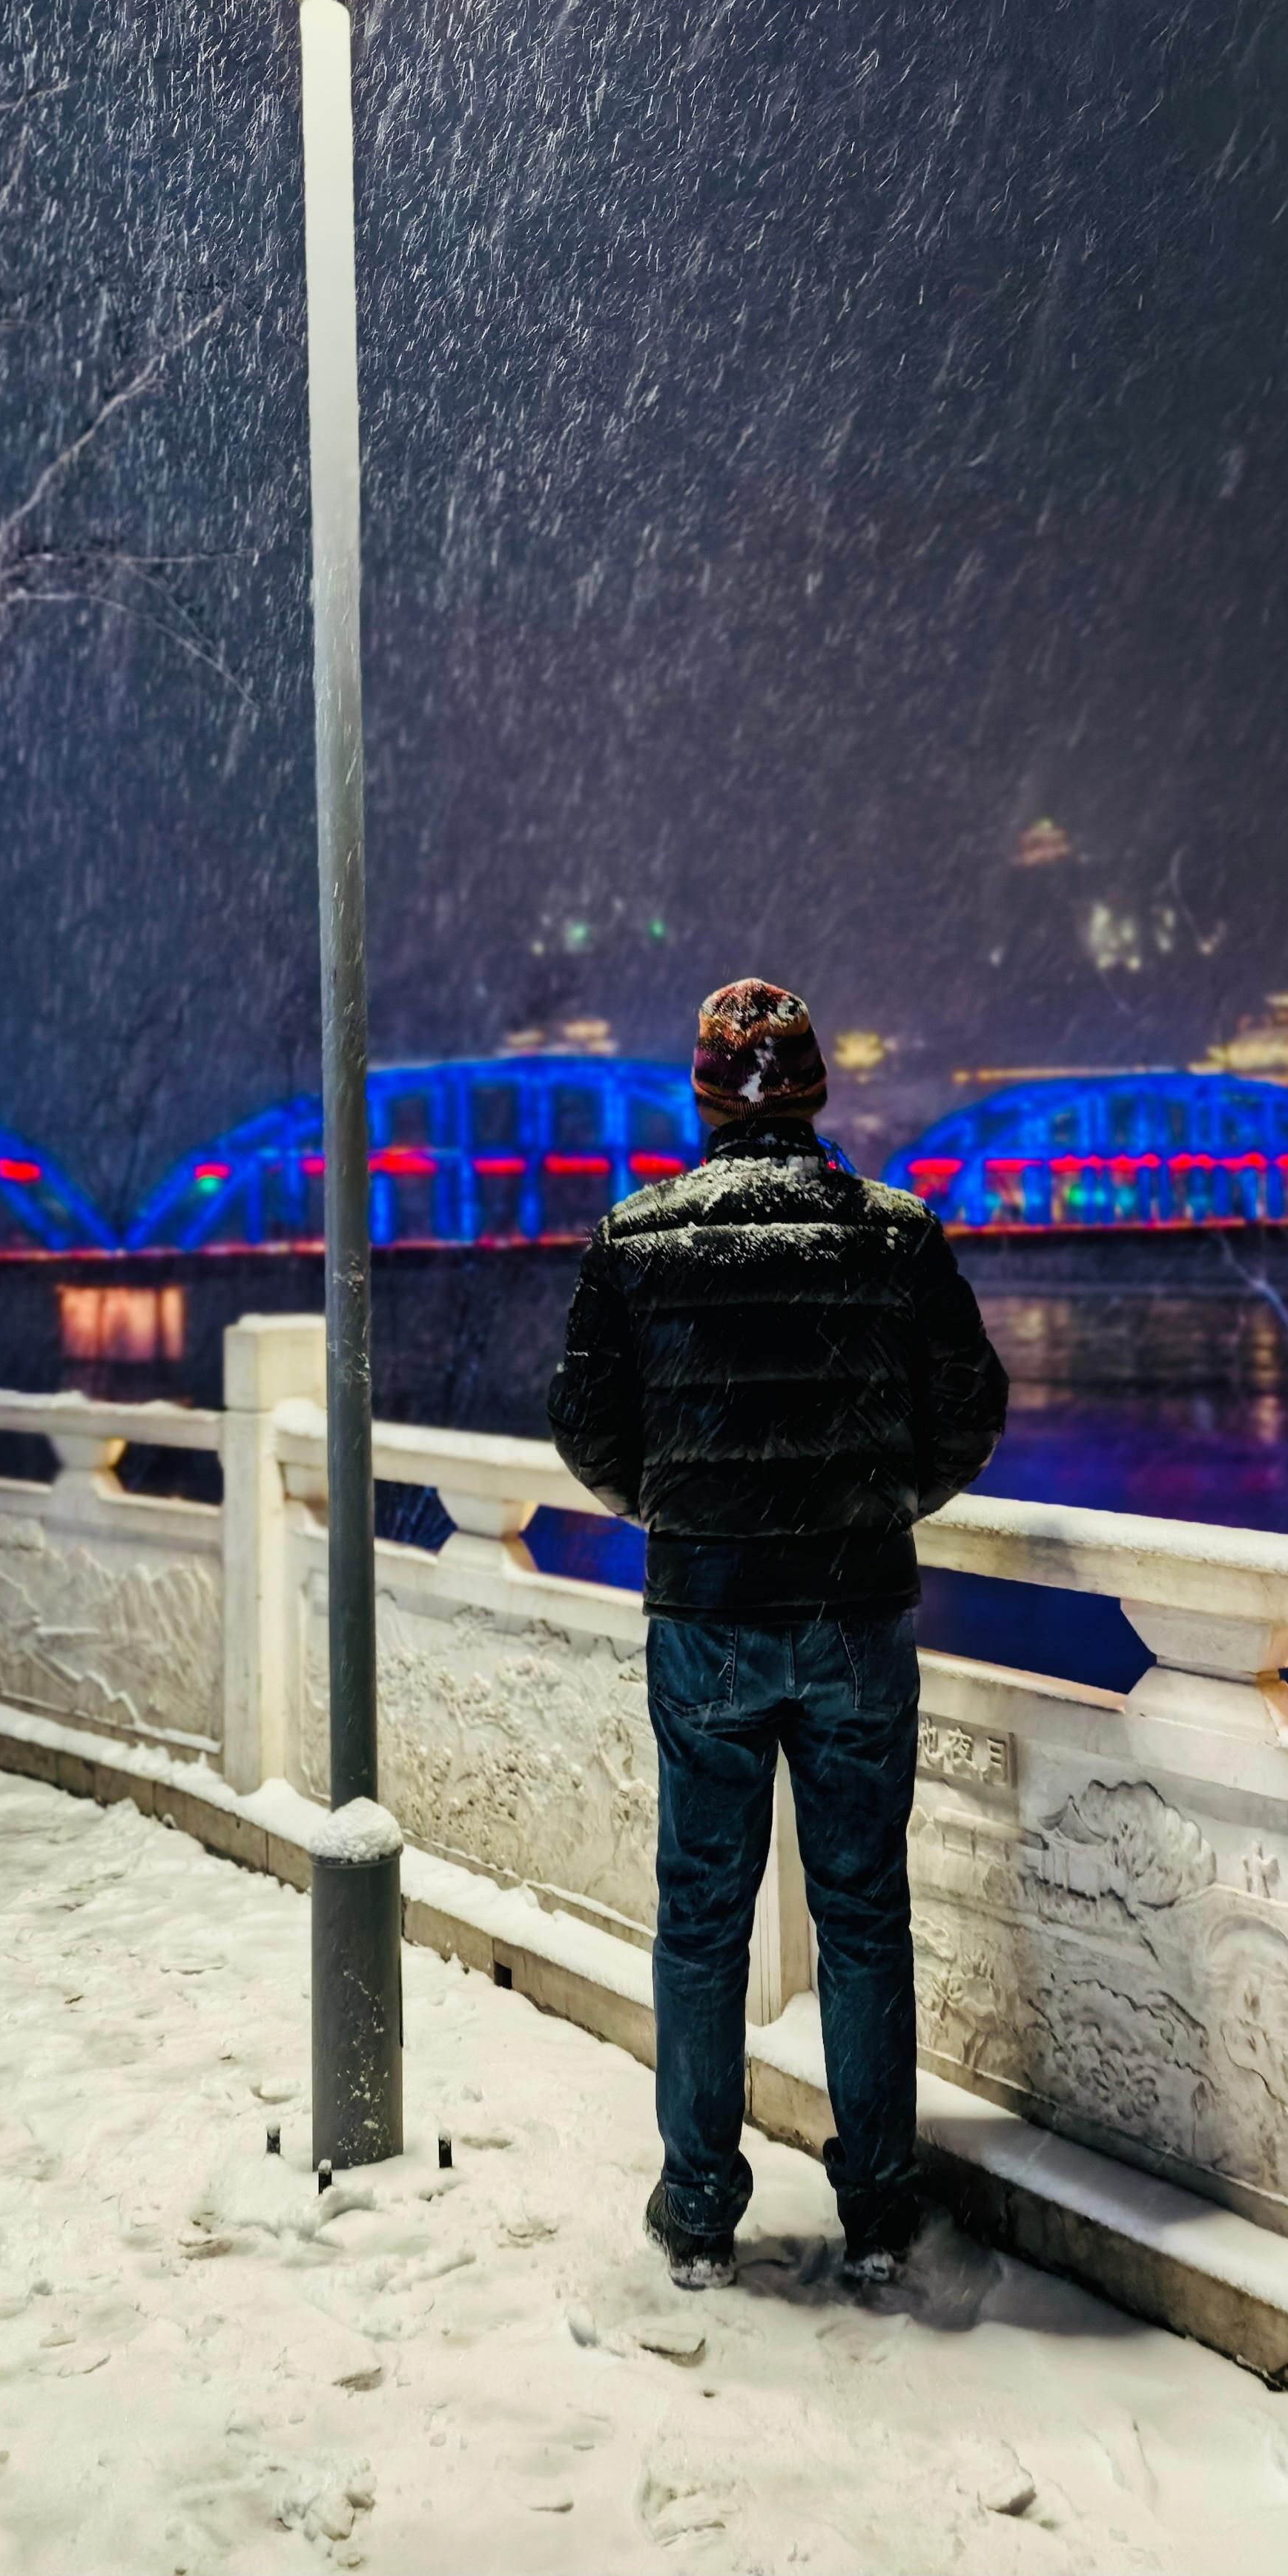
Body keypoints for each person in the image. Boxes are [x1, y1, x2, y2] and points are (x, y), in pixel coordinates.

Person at [546, 978, 1009, 2291]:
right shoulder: (893, 1237)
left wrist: (678, 1506)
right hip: (858, 1614)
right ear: (818, 1092)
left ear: (702, 1097)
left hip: (705, 1618)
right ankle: (874, 2207)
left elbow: (584, 1423)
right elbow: (969, 1406)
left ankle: (698, 2205)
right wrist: (880, 1501)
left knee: (702, 1918)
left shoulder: (635, 1242)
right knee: (862, 1916)